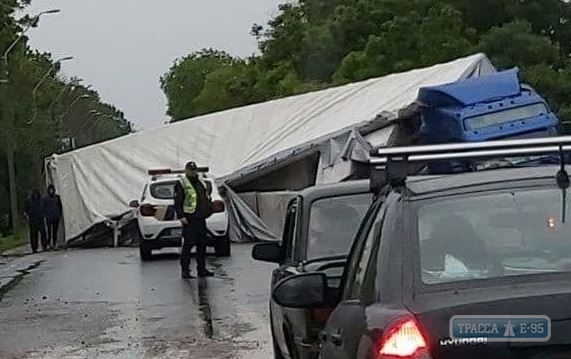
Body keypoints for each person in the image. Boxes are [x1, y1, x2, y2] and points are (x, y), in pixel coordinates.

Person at [174, 161, 214, 278]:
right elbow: (177, 202)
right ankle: (185, 270)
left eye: (194, 170)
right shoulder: (182, 183)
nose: (192, 172)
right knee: (188, 245)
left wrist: (208, 209)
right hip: (189, 218)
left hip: (200, 217)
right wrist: (181, 216)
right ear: (186, 170)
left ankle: (201, 269)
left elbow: (205, 196)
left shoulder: (200, 181)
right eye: (190, 170)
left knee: (202, 244)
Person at [43, 184, 63, 250]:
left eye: (52, 189)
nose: (51, 191)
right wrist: (45, 215)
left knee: (55, 231)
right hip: (49, 217)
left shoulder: (57, 197)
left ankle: (54, 243)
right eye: (50, 189)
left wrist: (59, 214)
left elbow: (60, 206)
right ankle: (49, 243)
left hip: (56, 216)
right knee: (49, 231)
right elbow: (44, 207)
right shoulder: (45, 198)